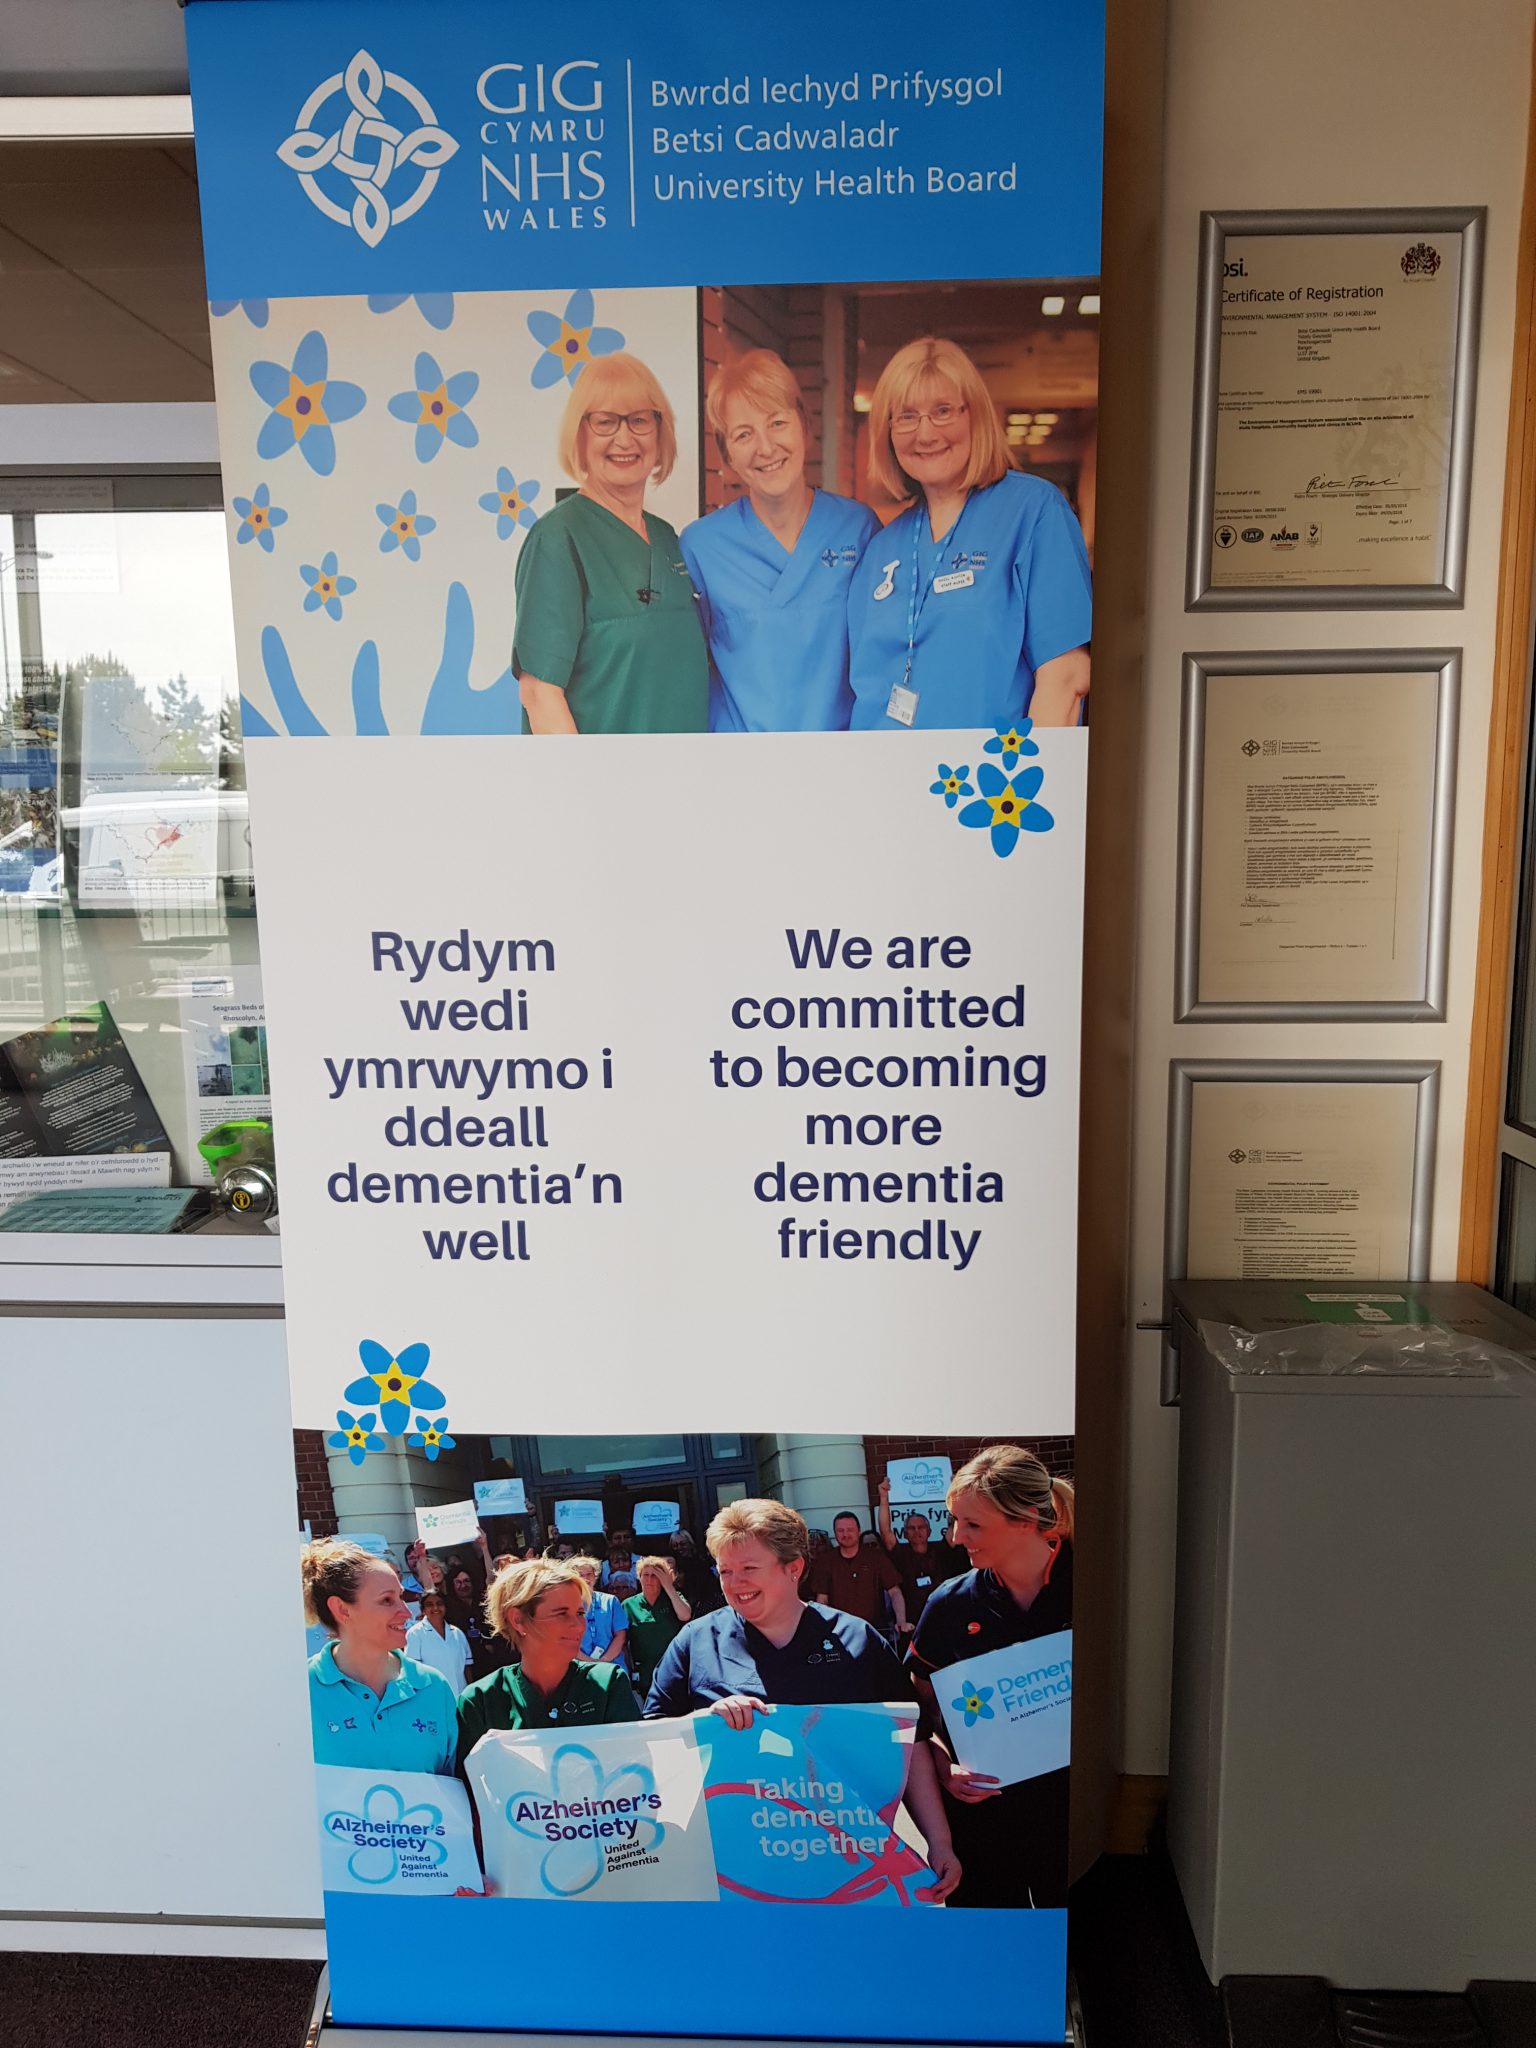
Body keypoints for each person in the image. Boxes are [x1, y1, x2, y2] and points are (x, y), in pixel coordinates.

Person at [644, 1499, 959, 1900]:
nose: (735, 1583)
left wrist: (939, 1841)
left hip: (848, 1861)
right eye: (725, 1571)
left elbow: (910, 1744)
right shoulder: (696, 1642)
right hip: (738, 1869)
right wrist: (701, 1722)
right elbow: (651, 1740)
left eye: (749, 1568)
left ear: (793, 1568)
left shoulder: (856, 1640)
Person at [848, 335, 1091, 732]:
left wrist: (1024, 768)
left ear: (974, 415)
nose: (925, 434)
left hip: (991, 769)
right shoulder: (881, 548)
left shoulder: (1033, 512)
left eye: (943, 411)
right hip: (885, 767)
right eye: (906, 416)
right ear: (886, 431)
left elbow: (1065, 678)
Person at [907, 1446, 1074, 1909]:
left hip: (1073, 1815)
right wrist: (944, 1767)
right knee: (993, 1941)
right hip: (984, 1817)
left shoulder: (1096, 1582)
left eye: (973, 1525)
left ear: (1025, 1520)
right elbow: (918, 1706)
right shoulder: (950, 1604)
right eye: (955, 1521)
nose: (956, 1537)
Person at [680, 348, 878, 732]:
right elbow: (685, 670)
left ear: (805, 426)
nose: (766, 447)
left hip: (840, 759)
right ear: (726, 455)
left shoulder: (859, 529)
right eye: (743, 434)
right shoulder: (701, 547)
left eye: (777, 423)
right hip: (741, 763)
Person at [514, 351, 708, 736]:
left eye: (639, 420)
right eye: (605, 422)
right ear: (579, 434)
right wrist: (582, 775)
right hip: (598, 774)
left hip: (684, 769)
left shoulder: (668, 539)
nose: (624, 438)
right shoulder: (558, 538)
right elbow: (539, 694)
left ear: (660, 431)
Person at [456, 1558, 639, 1769]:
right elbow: (469, 1783)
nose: (579, 1626)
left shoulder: (608, 1684)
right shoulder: (480, 1701)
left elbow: (634, 1774)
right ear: (518, 1620)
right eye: (562, 1613)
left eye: (580, 1613)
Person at [302, 1539, 457, 1773]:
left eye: (401, 1597)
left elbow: (452, 1783)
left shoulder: (433, 1686)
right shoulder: (300, 1691)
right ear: (342, 1610)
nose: (406, 1612)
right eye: (387, 1600)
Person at [877, 1477, 966, 1626]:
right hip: (913, 1622)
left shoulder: (940, 1550)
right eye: (911, 1528)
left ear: (929, 1531)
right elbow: (885, 1531)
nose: (917, 1531)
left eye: (921, 1527)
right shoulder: (901, 1554)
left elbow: (956, 1523)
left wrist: (956, 1492)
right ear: (905, 1533)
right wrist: (884, 1497)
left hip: (943, 1617)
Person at [811, 1510, 909, 1642]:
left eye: (850, 1530)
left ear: (859, 1531)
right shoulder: (827, 1561)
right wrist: (822, 1628)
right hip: (840, 1634)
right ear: (835, 1533)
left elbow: (895, 1592)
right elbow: (822, 1600)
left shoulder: (875, 1557)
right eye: (840, 1530)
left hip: (875, 1632)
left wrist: (901, 1620)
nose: (845, 1534)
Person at [622, 1555, 692, 1695]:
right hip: (644, 1672)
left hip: (673, 1668)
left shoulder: (673, 1598)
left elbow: (685, 1615)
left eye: (655, 1576)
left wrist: (669, 1586)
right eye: (645, 1575)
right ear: (639, 1577)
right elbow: (623, 1644)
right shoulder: (628, 1604)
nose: (649, 1579)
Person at [405, 1589, 472, 1693]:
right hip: (432, 1695)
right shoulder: (415, 1634)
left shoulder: (457, 1633)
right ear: (423, 1610)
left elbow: (467, 1667)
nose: (435, 1608)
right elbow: (413, 1670)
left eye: (439, 1604)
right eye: (430, 1605)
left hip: (460, 1694)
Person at [569, 1553, 629, 1668]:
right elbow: (565, 1640)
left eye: (589, 1574)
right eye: (580, 1575)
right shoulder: (567, 1604)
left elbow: (620, 1636)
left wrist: (603, 1661)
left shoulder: (611, 1601)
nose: (586, 1579)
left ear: (595, 1576)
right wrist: (590, 1662)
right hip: (580, 1666)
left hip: (611, 1665)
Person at [666, 1529, 722, 1616]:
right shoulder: (672, 1565)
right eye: (675, 1545)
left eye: (683, 1544)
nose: (679, 1548)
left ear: (690, 1543)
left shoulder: (701, 1562)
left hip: (704, 1605)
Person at [600, 1530, 640, 1601]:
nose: (621, 1565)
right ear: (610, 1566)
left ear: (631, 1563)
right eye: (616, 1562)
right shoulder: (604, 1594)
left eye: (625, 1560)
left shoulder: (641, 1586)